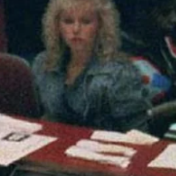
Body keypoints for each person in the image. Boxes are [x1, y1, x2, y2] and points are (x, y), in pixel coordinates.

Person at [32, 0, 150, 132]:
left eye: (86, 22)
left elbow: (138, 135)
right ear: (56, 25)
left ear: (101, 26)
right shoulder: (43, 63)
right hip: (56, 146)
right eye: (68, 21)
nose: (76, 29)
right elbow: (43, 117)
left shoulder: (121, 73)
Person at [115, 0, 176, 136]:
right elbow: (129, 121)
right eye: (165, 13)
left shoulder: (163, 40)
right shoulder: (117, 60)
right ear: (139, 14)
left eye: (175, 11)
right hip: (149, 137)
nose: (175, 19)